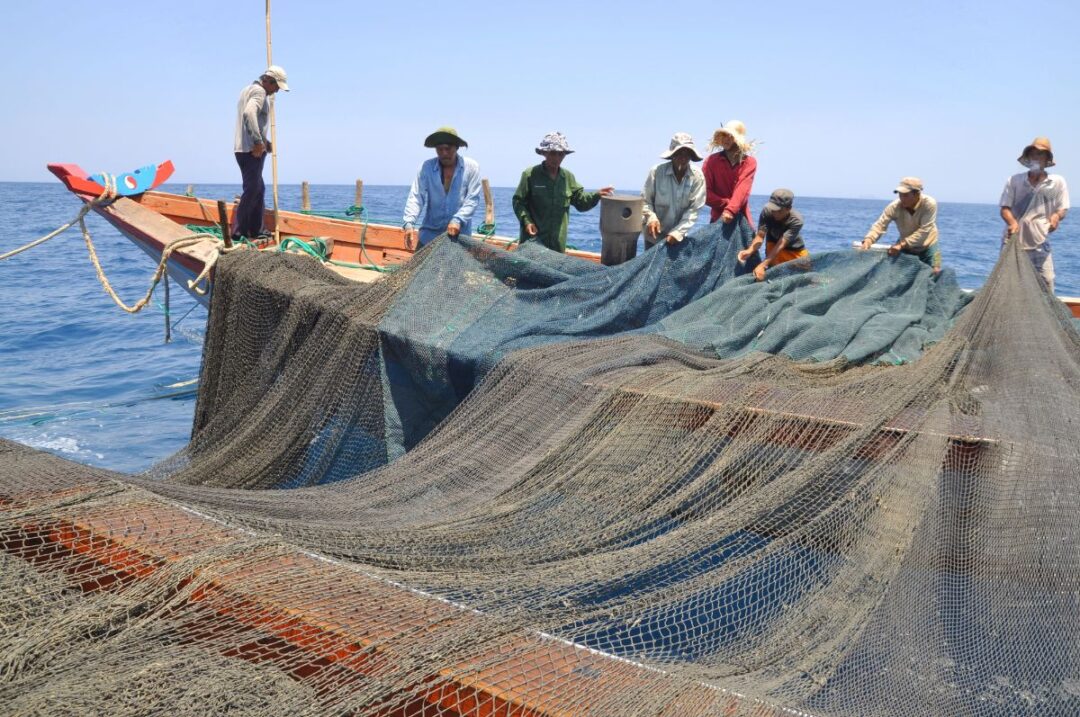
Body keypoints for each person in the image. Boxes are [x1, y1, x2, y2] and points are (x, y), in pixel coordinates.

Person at [512, 132, 614, 252]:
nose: (557, 158)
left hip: (557, 247)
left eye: (561, 154)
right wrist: (527, 222)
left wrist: (597, 195)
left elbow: (581, 203)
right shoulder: (530, 175)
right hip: (532, 243)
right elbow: (518, 202)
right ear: (544, 153)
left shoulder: (568, 177)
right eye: (553, 153)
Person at [999, 137, 1070, 293]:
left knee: (1047, 282)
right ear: (1027, 157)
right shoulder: (1014, 181)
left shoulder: (1057, 182)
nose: (1036, 157)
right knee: (1007, 286)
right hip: (1012, 242)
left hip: (1039, 243)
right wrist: (1012, 222)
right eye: (1032, 154)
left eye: (1040, 154)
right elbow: (1004, 208)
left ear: (1047, 159)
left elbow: (1062, 209)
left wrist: (1056, 217)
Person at [402, 127, 482, 249]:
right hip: (429, 237)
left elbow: (472, 199)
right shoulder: (426, 167)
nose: (444, 153)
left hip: (459, 239)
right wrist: (409, 223)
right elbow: (416, 197)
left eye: (448, 149)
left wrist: (457, 220)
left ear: (457, 147)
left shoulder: (472, 167)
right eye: (440, 149)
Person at [233, 66, 289, 240]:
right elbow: (249, 113)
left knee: (257, 189)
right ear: (269, 81)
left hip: (243, 149)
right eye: (276, 86)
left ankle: (257, 230)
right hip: (251, 151)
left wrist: (265, 141)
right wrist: (258, 142)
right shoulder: (260, 92)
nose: (277, 91)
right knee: (252, 190)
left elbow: (252, 120)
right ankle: (238, 232)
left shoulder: (247, 89)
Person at [859, 177, 941, 273]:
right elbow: (880, 225)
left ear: (917, 194)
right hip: (905, 244)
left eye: (905, 195)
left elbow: (925, 230)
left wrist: (901, 245)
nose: (902, 198)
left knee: (936, 271)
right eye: (900, 194)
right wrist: (869, 240)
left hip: (929, 243)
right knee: (896, 272)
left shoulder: (929, 204)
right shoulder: (894, 206)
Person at [641, 132, 707, 248]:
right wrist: (651, 217)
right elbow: (645, 201)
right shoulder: (656, 172)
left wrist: (677, 233)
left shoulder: (697, 176)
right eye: (679, 153)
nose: (683, 157)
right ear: (672, 155)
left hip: (679, 238)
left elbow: (694, 209)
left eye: (687, 153)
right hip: (653, 235)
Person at [737, 189, 809, 281]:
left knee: (808, 275)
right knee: (774, 275)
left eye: (779, 210)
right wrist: (749, 251)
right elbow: (760, 236)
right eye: (773, 209)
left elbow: (782, 243)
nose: (774, 213)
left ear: (788, 208)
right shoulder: (767, 211)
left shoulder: (797, 220)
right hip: (773, 245)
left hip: (794, 250)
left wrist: (763, 265)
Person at [702, 120, 757, 225]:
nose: (726, 138)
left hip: (742, 220)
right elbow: (704, 193)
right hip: (717, 220)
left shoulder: (749, 162)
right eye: (724, 135)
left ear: (739, 139)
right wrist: (727, 204)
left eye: (731, 136)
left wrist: (730, 210)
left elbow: (743, 188)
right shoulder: (711, 161)